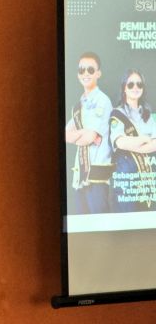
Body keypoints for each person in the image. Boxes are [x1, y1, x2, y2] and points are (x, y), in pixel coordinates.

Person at [65, 52, 113, 214]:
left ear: (98, 73)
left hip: (97, 179)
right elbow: (66, 135)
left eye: (90, 70)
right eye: (82, 70)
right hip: (80, 178)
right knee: (82, 226)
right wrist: (84, 133)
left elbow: (90, 137)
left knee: (100, 226)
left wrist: (82, 135)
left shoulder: (102, 100)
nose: (85, 73)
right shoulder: (78, 106)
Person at [109, 69, 156, 211]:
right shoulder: (117, 114)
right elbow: (120, 142)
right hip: (126, 177)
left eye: (139, 84)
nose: (135, 88)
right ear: (124, 88)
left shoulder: (148, 114)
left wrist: (134, 143)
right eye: (131, 84)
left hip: (148, 177)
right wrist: (144, 139)